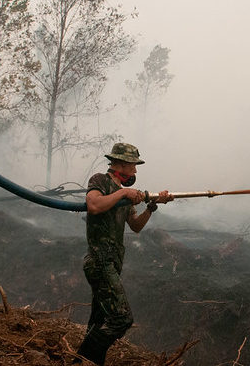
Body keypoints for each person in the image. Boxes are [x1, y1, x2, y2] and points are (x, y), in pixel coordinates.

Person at [73, 143, 173, 365]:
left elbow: (135, 226)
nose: (136, 171)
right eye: (133, 166)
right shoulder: (100, 181)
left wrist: (151, 207)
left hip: (113, 262)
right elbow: (94, 205)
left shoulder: (125, 196)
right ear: (120, 164)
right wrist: (123, 193)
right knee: (121, 318)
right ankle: (81, 362)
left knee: (99, 320)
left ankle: (87, 362)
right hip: (99, 261)